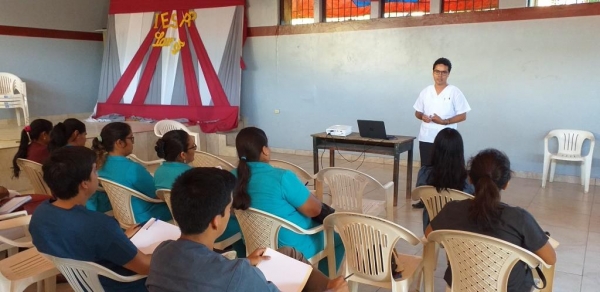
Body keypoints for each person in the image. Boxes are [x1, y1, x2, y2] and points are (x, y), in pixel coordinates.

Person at [146, 167, 348, 292]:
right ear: (216, 221)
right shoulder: (240, 276)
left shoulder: (161, 254)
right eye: (228, 209)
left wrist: (242, 262)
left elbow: (203, 272)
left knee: (288, 254)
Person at [425, 149, 556, 292]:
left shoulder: (451, 210)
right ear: (506, 184)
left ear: (470, 179)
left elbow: (428, 234)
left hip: (460, 283)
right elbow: (550, 259)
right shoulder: (520, 218)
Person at [29, 147, 151, 291]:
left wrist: (120, 238)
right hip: (122, 285)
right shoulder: (100, 226)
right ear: (84, 184)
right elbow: (146, 267)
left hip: (85, 285)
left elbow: (82, 244)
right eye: (94, 170)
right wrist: (168, 250)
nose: (97, 175)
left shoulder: (40, 215)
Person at [232, 127, 345, 275]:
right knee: (339, 239)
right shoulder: (282, 177)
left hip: (253, 243)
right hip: (291, 248)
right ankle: (323, 285)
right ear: (265, 150)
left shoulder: (231, 177)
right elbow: (315, 210)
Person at [91, 122, 171, 221]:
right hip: (145, 216)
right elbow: (158, 195)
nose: (133, 142)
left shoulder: (100, 163)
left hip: (122, 214)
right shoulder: (133, 169)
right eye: (131, 138)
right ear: (119, 143)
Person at [413, 57, 471, 168]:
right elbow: (417, 112)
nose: (440, 75)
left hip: (447, 139)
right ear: (433, 72)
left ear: (448, 74)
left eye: (444, 72)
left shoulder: (454, 92)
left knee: (447, 170)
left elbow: (463, 116)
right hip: (427, 138)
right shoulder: (426, 91)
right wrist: (422, 117)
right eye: (437, 72)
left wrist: (445, 122)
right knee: (427, 169)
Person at [412, 128, 474, 213]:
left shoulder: (424, 173)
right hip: (459, 225)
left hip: (431, 224)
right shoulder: (469, 180)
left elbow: (420, 197)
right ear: (460, 152)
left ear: (435, 149)